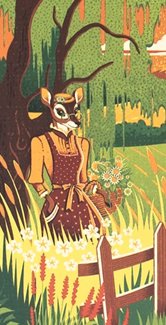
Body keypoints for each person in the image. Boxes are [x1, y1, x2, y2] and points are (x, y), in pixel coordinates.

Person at [27, 86, 110, 238]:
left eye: (75, 112)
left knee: (92, 236)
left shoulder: (83, 143)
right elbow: (36, 179)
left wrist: (93, 189)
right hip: (56, 203)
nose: (73, 119)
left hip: (81, 200)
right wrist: (49, 201)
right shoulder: (40, 142)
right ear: (52, 110)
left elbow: (83, 178)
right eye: (61, 112)